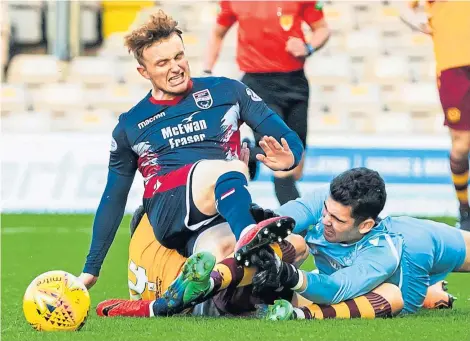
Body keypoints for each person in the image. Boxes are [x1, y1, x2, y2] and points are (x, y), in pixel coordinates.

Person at [78, 10, 304, 300]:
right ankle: (248, 233)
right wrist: (91, 267)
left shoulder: (227, 91)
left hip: (219, 211)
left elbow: (287, 137)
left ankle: (210, 300)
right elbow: (113, 197)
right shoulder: (130, 124)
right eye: (162, 63)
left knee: (287, 248)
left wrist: (290, 157)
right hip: (167, 207)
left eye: (178, 57)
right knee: (224, 169)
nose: (175, 68)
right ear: (143, 72)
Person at [247, 167, 469, 320]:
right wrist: (255, 224)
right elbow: (282, 220)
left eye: (337, 219)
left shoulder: (398, 250)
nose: (325, 220)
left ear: (365, 225)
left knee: (395, 304)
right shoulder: (329, 201)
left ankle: (429, 293)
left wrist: (287, 274)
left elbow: (339, 289)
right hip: (388, 248)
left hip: (421, 249)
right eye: (326, 211)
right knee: (295, 243)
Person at [203, 0, 330, 204]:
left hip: (295, 83)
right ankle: (299, 227)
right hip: (257, 85)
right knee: (283, 162)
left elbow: (322, 29)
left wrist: (308, 47)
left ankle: (248, 152)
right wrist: (207, 71)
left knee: (296, 167)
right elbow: (218, 32)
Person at [96, 206, 310, 317]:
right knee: (298, 246)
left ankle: (267, 307)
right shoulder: (173, 216)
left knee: (257, 261)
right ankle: (294, 308)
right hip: (210, 297)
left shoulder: (142, 244)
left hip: (167, 299)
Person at [401, 1, 470, 230]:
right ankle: (464, 208)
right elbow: (404, 8)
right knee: (461, 146)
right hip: (454, 68)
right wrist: (415, 21)